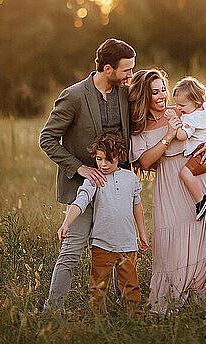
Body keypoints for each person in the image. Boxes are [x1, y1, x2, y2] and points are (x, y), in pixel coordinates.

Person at [39, 38, 136, 312]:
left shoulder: (123, 93)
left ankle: (121, 306)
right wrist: (80, 168)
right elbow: (47, 139)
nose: (130, 75)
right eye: (126, 70)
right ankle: (52, 309)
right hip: (84, 188)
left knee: (120, 249)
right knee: (71, 251)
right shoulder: (74, 96)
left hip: (116, 188)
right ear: (108, 69)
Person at [129, 69, 206, 314]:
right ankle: (169, 301)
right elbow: (144, 162)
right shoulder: (139, 127)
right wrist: (168, 136)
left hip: (198, 180)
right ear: (144, 96)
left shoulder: (179, 110)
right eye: (155, 92)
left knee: (204, 240)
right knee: (172, 243)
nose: (163, 95)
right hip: (170, 185)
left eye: (163, 89)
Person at [58, 131, 149, 317]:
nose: (104, 164)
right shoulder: (94, 179)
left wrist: (142, 233)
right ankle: (99, 322)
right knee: (98, 289)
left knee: (131, 287)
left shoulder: (130, 178)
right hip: (102, 245)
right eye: (99, 159)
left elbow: (137, 206)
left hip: (127, 245)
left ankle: (135, 321)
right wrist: (66, 223)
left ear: (120, 156)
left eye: (109, 159)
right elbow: (80, 201)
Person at [168, 76, 206, 221]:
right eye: (177, 104)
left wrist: (174, 123)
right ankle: (201, 200)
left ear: (196, 102)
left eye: (182, 105)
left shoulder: (191, 118)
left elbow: (182, 136)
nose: (179, 108)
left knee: (185, 173)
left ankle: (201, 200)